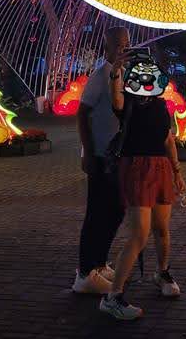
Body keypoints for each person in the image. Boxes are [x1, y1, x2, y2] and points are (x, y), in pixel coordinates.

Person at [99, 48, 186, 321]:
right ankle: (112, 297)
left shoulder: (162, 106)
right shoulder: (127, 104)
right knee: (139, 234)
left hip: (160, 167)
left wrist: (177, 172)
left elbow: (168, 139)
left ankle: (162, 273)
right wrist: (115, 70)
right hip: (136, 167)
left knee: (162, 228)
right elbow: (115, 98)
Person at [73, 26, 130, 294]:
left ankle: (99, 262)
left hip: (116, 156)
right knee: (97, 213)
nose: (123, 48)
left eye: (126, 44)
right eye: (118, 44)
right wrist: (88, 152)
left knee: (116, 210)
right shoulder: (100, 76)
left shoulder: (120, 74)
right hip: (100, 156)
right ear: (106, 47)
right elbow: (82, 115)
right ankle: (85, 273)